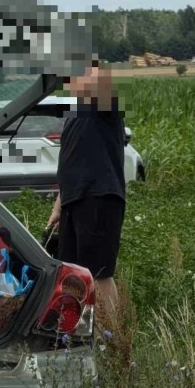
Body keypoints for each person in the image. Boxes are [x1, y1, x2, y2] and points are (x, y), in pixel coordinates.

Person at [46, 61, 128, 352]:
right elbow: (71, 161)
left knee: (99, 272)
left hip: (99, 197)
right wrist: (59, 205)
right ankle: (79, 338)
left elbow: (98, 83)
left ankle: (114, 340)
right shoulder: (76, 113)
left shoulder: (104, 106)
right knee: (72, 273)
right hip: (74, 201)